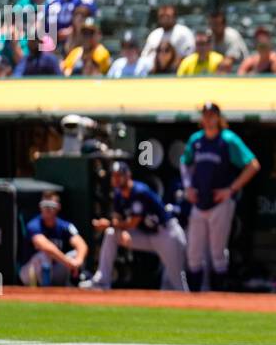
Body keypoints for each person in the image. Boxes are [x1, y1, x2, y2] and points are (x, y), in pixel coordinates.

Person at [180, 103, 260, 292]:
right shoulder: (196, 140)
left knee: (217, 252)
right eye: (205, 115)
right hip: (199, 202)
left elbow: (253, 165)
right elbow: (185, 163)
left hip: (220, 202)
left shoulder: (228, 139)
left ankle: (219, 299)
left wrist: (230, 190)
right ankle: (193, 300)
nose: (208, 119)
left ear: (218, 117)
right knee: (193, 253)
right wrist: (187, 187)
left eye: (212, 115)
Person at [80, 161, 189, 292]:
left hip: (166, 235)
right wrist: (118, 229)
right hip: (146, 235)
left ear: (128, 175)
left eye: (119, 175)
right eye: (114, 175)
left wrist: (110, 224)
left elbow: (133, 223)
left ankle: (191, 303)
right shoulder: (118, 193)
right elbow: (117, 217)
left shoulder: (139, 191)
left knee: (175, 283)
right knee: (111, 234)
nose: (116, 179)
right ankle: (101, 282)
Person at [20, 192, 89, 287]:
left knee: (75, 254)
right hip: (29, 272)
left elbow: (81, 244)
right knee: (43, 255)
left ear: (58, 207)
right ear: (40, 207)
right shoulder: (33, 225)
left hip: (55, 270)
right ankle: (44, 291)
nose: (47, 209)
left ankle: (71, 288)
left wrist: (78, 262)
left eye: (51, 205)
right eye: (45, 205)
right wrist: (68, 262)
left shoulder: (65, 225)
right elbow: (46, 247)